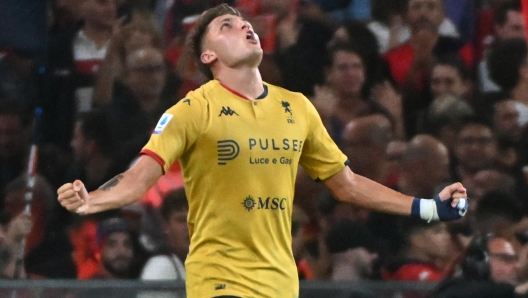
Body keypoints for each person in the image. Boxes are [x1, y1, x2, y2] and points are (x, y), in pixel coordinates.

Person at [57, 4, 468, 298]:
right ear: (208, 55)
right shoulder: (192, 109)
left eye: (244, 22)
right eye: (226, 26)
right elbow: (139, 177)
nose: (244, 27)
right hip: (218, 279)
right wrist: (93, 200)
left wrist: (428, 208)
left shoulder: (298, 106)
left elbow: (347, 185)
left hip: (280, 281)